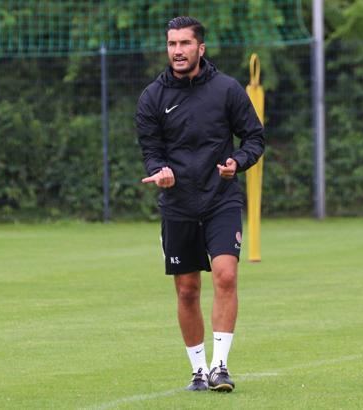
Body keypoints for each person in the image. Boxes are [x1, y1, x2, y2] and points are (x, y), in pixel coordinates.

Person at [136, 16, 264, 392]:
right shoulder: (152, 98)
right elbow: (151, 151)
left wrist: (237, 162)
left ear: (200, 48)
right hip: (178, 204)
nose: (178, 51)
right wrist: (160, 172)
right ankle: (198, 371)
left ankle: (219, 367)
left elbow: (254, 138)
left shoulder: (227, 90)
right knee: (187, 289)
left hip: (221, 198)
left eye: (185, 43)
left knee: (226, 275)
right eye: (172, 44)